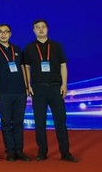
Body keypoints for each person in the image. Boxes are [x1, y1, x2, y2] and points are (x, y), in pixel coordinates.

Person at [23, 19, 77, 162]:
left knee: (60, 121)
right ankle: (42, 152)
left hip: (55, 87)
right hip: (38, 89)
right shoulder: (29, 48)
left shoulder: (56, 46)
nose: (41, 29)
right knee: (39, 122)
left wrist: (64, 85)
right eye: (37, 27)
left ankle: (65, 152)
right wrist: (28, 85)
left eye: (43, 27)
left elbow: (63, 65)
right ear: (33, 30)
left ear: (47, 29)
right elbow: (26, 67)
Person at [0, 24, 30, 161]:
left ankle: (19, 150)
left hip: (20, 91)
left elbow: (22, 68)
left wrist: (27, 86)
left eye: (6, 32)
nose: (3, 34)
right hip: (3, 92)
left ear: (10, 34)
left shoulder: (16, 49)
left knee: (18, 122)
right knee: (6, 123)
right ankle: (10, 151)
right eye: (0, 32)